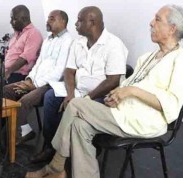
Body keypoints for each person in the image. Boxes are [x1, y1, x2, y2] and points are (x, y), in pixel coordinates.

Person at [25, 4, 183, 178]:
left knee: (75, 104)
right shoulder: (148, 57)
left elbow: (172, 106)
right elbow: (127, 84)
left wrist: (131, 91)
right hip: (122, 112)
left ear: (172, 29)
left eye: (158, 19)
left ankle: (55, 166)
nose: (151, 23)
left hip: (144, 121)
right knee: (78, 125)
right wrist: (116, 95)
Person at [28, 6, 128, 164]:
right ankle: (50, 147)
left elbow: (113, 80)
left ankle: (80, 150)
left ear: (92, 22)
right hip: (78, 91)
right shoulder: (78, 43)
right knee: (50, 97)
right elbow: (69, 71)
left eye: (80, 21)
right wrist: (70, 94)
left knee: (76, 110)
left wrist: (86, 98)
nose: (75, 24)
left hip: (101, 97)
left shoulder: (113, 44)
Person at [0, 10, 73, 156]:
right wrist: (29, 80)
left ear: (63, 22)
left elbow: (59, 71)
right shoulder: (49, 39)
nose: (47, 21)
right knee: (6, 91)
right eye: (48, 18)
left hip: (50, 85)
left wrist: (35, 85)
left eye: (52, 19)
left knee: (23, 102)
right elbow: (38, 64)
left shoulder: (69, 41)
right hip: (34, 81)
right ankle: (24, 130)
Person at [0, 5, 43, 90]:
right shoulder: (15, 35)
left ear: (24, 19)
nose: (11, 22)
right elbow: (4, 56)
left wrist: (8, 72)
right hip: (4, 72)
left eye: (14, 19)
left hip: (18, 74)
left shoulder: (34, 33)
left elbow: (25, 58)